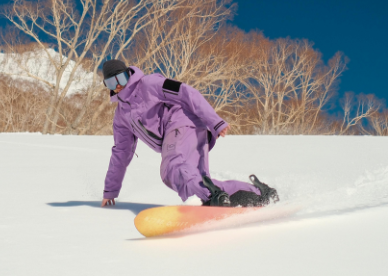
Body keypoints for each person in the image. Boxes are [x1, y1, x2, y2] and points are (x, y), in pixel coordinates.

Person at [100, 59, 278, 208]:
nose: (117, 85)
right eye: (111, 82)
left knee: (172, 167)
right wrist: (110, 190)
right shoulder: (121, 116)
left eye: (121, 78)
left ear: (128, 74)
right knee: (195, 179)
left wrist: (214, 121)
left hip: (182, 123)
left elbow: (186, 92)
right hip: (178, 139)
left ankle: (208, 199)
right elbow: (121, 153)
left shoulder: (149, 84)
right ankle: (259, 193)